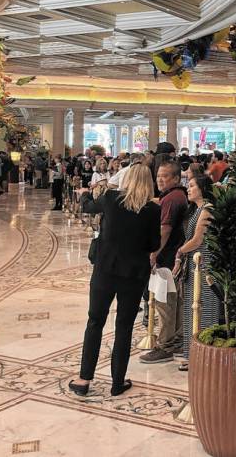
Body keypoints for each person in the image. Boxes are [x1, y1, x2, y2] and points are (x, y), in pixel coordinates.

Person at [69, 165, 160, 397]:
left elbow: (88, 207)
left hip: (105, 270)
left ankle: (83, 379)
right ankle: (117, 382)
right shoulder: (151, 209)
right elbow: (153, 244)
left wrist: (87, 193)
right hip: (134, 273)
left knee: (95, 322)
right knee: (124, 327)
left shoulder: (111, 198)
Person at [140, 161, 189, 364]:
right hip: (172, 257)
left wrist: (153, 253)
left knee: (165, 302)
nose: (160, 179)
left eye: (165, 176)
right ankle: (175, 340)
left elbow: (165, 229)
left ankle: (166, 345)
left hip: (167, 258)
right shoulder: (176, 196)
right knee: (172, 301)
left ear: (176, 178)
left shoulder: (171, 199)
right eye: (158, 175)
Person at [174, 174, 219, 370]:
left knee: (204, 306)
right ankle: (192, 352)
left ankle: (204, 354)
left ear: (202, 188)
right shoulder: (197, 209)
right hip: (195, 262)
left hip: (204, 262)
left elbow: (198, 240)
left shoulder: (207, 209)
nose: (188, 189)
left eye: (192, 186)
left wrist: (179, 251)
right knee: (193, 306)